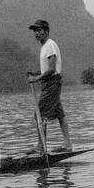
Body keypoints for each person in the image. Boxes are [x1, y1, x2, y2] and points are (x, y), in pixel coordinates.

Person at [27, 19, 72, 152]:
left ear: (46, 31)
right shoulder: (45, 46)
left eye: (39, 30)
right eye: (35, 31)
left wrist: (36, 79)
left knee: (39, 115)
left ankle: (41, 146)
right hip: (51, 83)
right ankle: (67, 145)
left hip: (52, 83)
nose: (37, 33)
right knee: (59, 114)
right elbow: (46, 68)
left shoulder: (49, 45)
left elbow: (52, 69)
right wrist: (35, 73)